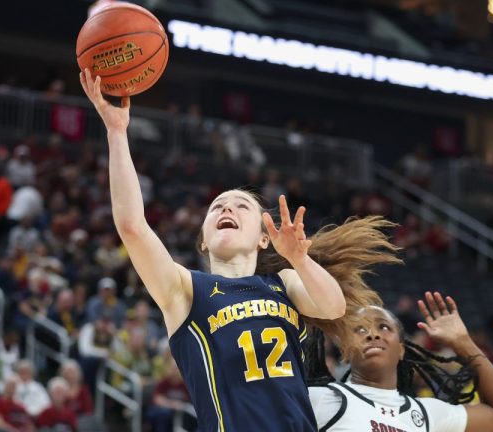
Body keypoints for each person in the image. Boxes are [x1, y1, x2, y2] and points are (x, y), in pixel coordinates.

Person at [80, 68, 392, 431]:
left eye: (241, 206)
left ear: (264, 237)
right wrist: (117, 132)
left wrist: (300, 257)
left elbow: (333, 306)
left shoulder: (285, 282)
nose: (227, 208)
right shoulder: (186, 291)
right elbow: (132, 227)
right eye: (217, 206)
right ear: (203, 239)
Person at [307, 292, 493, 432]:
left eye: (384, 327)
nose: (372, 335)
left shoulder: (429, 414)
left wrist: (464, 344)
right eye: (360, 330)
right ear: (345, 351)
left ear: (402, 349)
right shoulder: (320, 399)